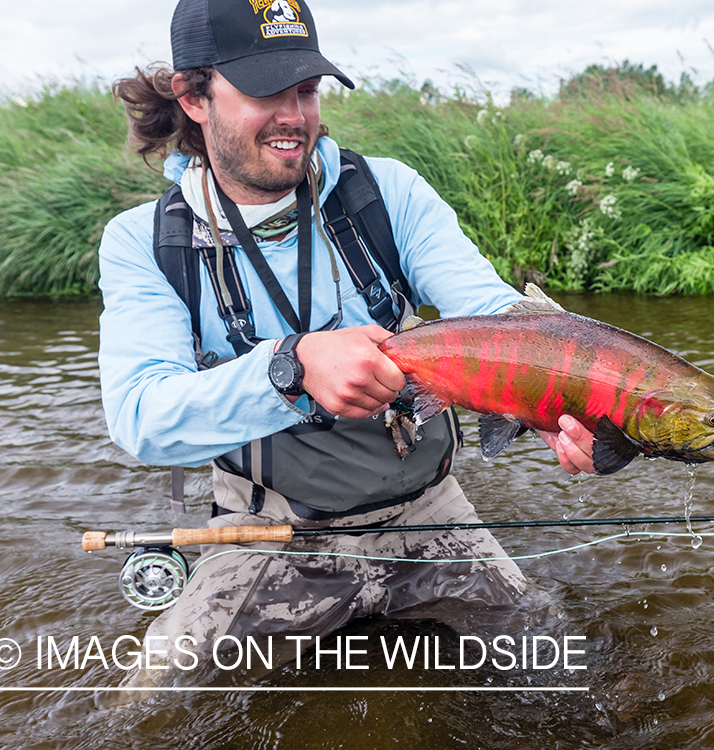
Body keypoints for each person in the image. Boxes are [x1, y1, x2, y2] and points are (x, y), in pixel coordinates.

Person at [98, 0, 594, 682]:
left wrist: (567, 396)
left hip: (426, 509)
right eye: (265, 91)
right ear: (193, 98)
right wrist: (288, 365)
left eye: (305, 89)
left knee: (561, 667)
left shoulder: (387, 191)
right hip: (267, 528)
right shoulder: (144, 243)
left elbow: (492, 313)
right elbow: (143, 421)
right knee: (147, 703)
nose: (294, 116)